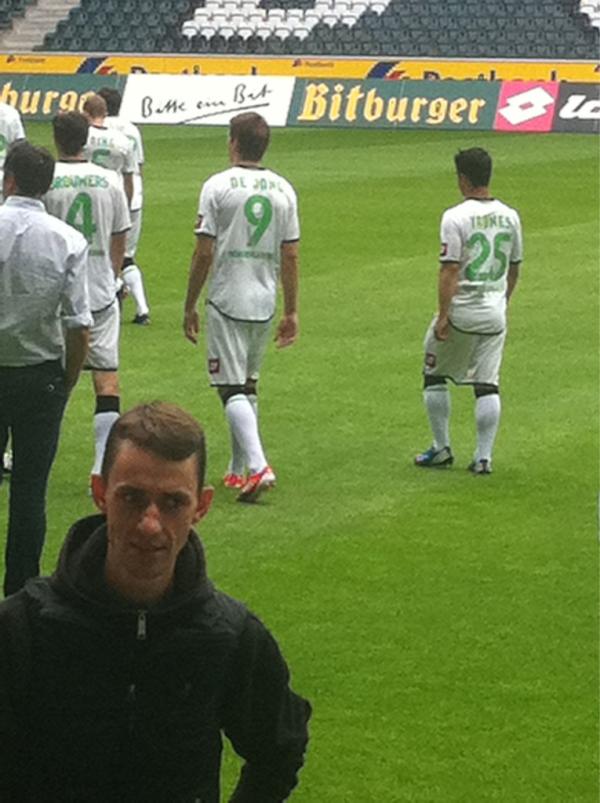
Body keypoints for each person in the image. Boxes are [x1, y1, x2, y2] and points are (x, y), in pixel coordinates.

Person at [0, 401, 311, 800]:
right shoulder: (22, 632)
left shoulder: (229, 637)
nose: (150, 524)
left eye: (172, 503)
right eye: (132, 498)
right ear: (100, 493)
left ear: (201, 506)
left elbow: (280, 749)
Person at [183, 112, 300, 503]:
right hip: (264, 299)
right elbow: (291, 254)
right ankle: (237, 469)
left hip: (227, 297)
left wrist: (189, 304)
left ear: (233, 142)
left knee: (229, 387)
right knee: (247, 384)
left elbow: (203, 252)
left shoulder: (217, 185)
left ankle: (259, 465)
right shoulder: (284, 189)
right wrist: (291, 310)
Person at [0, 141, 91, 596]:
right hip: (40, 374)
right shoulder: (68, 239)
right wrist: (67, 381)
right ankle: (20, 594)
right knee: (30, 491)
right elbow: (79, 324)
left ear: (9, 179)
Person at [415, 147, 523, 474]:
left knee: (434, 374)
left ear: (463, 179)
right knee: (487, 384)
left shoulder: (455, 217)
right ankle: (483, 457)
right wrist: (503, 302)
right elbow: (514, 267)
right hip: (494, 313)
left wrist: (443, 315)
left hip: (462, 312)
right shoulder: (511, 216)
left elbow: (449, 269)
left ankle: (441, 447)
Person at [44, 111, 131, 485]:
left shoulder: (46, 179)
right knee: (106, 378)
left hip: (55, 294)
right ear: (86, 139)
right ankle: (99, 466)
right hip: (99, 291)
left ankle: (31, 452)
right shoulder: (109, 179)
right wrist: (112, 275)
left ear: (56, 138)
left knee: (48, 375)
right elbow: (120, 234)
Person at [98, 86, 151, 325]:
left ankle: (115, 289)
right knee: (127, 255)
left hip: (108, 195)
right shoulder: (132, 129)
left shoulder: (98, 129)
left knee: (103, 251)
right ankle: (142, 309)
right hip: (135, 195)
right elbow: (138, 166)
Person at [82, 93, 136, 210]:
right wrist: (127, 207)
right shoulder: (123, 140)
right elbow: (128, 179)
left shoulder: (82, 136)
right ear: (105, 114)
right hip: (113, 194)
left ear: (85, 113)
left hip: (87, 191)